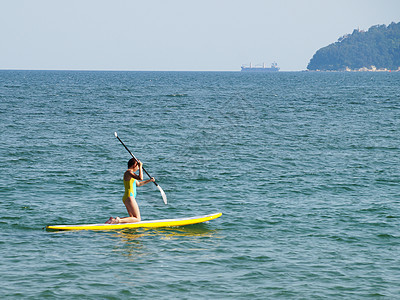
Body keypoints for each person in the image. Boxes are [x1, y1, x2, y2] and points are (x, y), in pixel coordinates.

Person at [106, 158, 154, 224]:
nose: (137, 168)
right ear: (134, 165)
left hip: (128, 197)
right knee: (137, 219)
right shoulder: (129, 172)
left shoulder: (131, 175)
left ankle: (113, 220)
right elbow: (141, 178)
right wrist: (141, 167)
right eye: (137, 166)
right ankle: (118, 220)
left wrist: (150, 180)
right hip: (129, 197)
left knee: (132, 219)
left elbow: (139, 184)